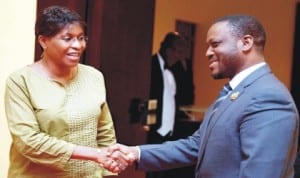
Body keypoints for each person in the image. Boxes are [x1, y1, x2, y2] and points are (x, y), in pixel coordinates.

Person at [107, 15, 299, 178]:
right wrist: (135, 153)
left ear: (246, 43)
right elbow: (196, 146)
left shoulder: (269, 97)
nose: (207, 53)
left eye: (215, 44)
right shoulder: (235, 92)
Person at [4, 5, 126, 178]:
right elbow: (28, 141)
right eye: (67, 38)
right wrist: (92, 154)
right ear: (43, 41)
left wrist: (108, 170)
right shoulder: (21, 81)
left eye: (81, 38)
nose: (77, 45)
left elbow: (104, 131)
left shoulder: (94, 76)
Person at [146, 31, 186, 178]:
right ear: (169, 49)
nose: (180, 56)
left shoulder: (173, 71)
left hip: (168, 135)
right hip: (152, 132)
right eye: (179, 52)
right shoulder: (150, 66)